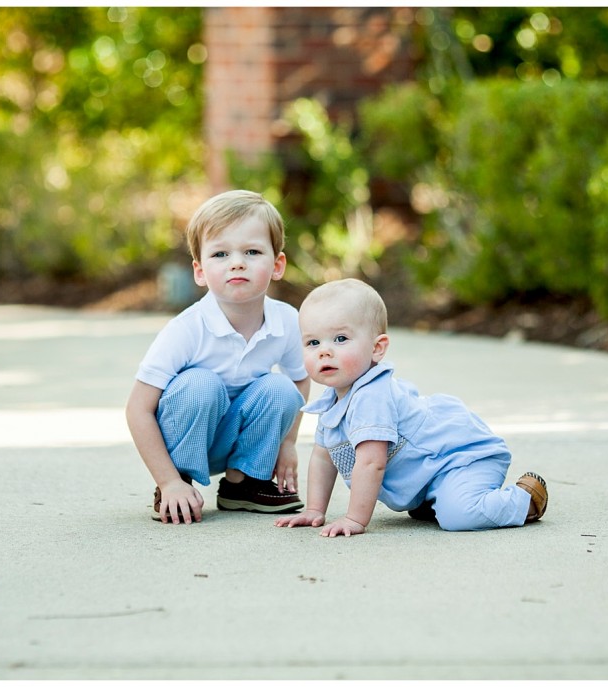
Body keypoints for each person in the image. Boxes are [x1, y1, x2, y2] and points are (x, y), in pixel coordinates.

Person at [275, 278, 548, 537]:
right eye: (313, 342)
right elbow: (323, 457)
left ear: (377, 348)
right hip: (431, 474)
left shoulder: (372, 396)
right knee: (444, 510)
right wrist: (314, 510)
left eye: (340, 339)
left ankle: (524, 501)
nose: (324, 351)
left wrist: (355, 518)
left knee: (459, 516)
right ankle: (435, 498)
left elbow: (371, 462)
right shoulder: (331, 402)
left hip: (461, 459)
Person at [126, 190, 311, 524]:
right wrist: (166, 480)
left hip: (236, 439)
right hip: (185, 441)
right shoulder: (186, 329)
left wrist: (288, 443)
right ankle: (179, 485)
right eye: (220, 253)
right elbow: (138, 408)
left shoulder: (286, 321)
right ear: (199, 271)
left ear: (277, 264)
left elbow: (300, 377)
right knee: (200, 383)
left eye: (252, 251)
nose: (237, 262)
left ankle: (243, 483)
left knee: (282, 388)